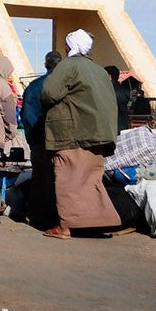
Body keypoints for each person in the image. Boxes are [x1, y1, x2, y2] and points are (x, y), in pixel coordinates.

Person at [40, 29, 121, 239]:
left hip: (72, 132)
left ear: (71, 46)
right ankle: (96, 223)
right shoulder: (98, 70)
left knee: (67, 178)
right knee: (89, 180)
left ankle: (66, 226)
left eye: (67, 44)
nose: (65, 48)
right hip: (98, 133)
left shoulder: (68, 66)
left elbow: (49, 93)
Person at [20, 51, 63, 230]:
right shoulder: (66, 86)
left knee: (40, 178)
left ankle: (37, 217)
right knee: (60, 179)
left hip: (39, 140)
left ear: (45, 65)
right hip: (61, 141)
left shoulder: (34, 87)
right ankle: (58, 217)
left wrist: (33, 139)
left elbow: (26, 116)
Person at [105, 66, 130, 133]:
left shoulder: (105, 90)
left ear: (109, 76)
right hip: (123, 127)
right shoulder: (126, 90)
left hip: (108, 129)